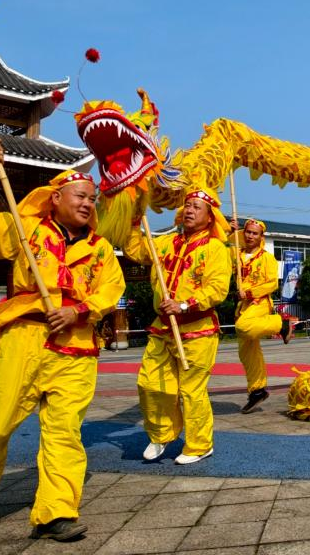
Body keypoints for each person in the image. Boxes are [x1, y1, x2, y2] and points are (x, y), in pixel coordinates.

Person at [0, 137, 125, 541]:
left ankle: (56, 511)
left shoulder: (100, 250)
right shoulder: (24, 229)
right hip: (24, 339)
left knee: (65, 432)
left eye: (92, 199)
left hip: (76, 347)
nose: (87, 204)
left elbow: (108, 290)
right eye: (80, 196)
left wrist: (78, 310)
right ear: (56, 197)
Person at [124, 187, 231, 465]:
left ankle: (199, 444)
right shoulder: (166, 243)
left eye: (197, 206)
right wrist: (136, 219)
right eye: (188, 205)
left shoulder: (215, 248)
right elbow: (136, 250)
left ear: (210, 217)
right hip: (162, 327)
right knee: (149, 382)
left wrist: (184, 304)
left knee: (191, 390)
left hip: (197, 329)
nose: (190, 210)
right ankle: (161, 434)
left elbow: (218, 289)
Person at [230, 218, 289, 414]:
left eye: (255, 233)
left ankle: (282, 324)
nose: (250, 236)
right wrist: (229, 230)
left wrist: (249, 293)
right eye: (248, 232)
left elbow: (272, 283)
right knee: (247, 352)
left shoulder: (266, 258)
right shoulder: (236, 253)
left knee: (243, 327)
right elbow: (222, 248)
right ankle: (257, 390)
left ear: (261, 237)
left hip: (259, 302)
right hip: (242, 306)